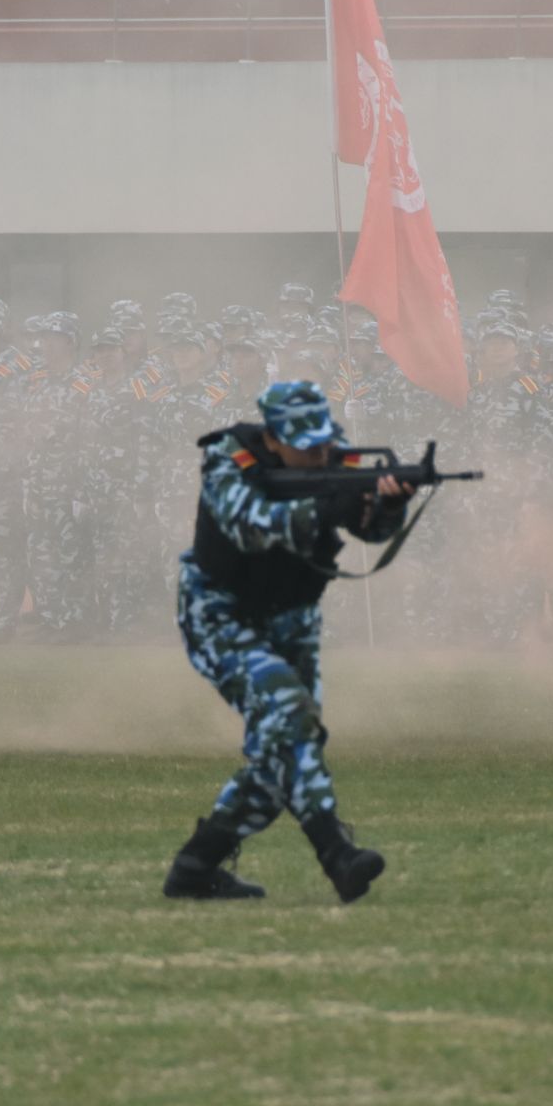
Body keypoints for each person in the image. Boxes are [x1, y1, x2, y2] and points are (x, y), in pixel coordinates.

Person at [165, 381, 413, 904]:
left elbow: (369, 532)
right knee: (290, 718)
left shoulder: (338, 461)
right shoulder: (227, 459)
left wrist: (387, 507)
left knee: (287, 744)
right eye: (306, 447)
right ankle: (336, 854)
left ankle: (195, 867)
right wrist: (325, 509)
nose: (320, 456)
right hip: (220, 613)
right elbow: (248, 526)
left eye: (324, 444)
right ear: (273, 440)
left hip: (292, 615)